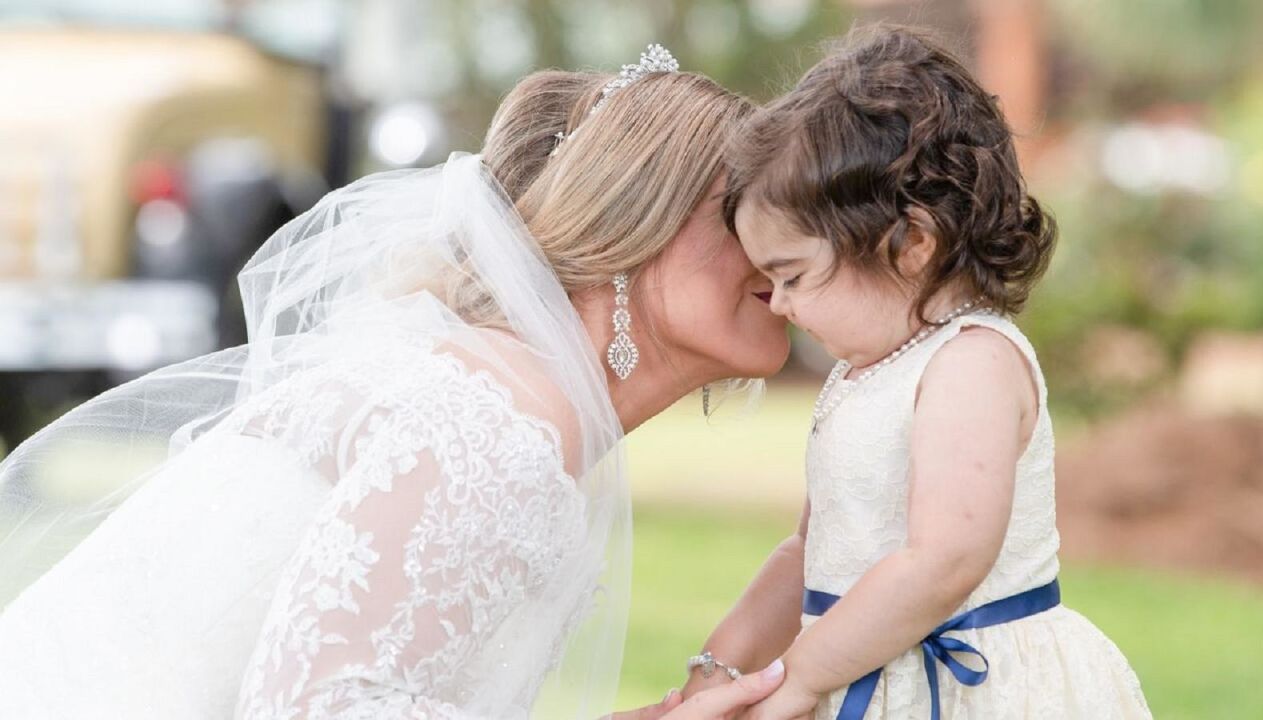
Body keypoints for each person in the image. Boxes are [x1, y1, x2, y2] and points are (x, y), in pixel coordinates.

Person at [0, 45, 790, 719]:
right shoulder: (493, 423)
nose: (778, 242)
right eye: (741, 210)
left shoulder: (501, 396)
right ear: (630, 225)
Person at [682, 25, 1153, 719]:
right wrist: (722, 665)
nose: (777, 303)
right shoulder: (863, 375)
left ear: (911, 244)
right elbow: (809, 552)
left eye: (793, 276)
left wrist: (807, 676)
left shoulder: (971, 362)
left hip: (971, 691)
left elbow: (943, 563)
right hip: (862, 669)